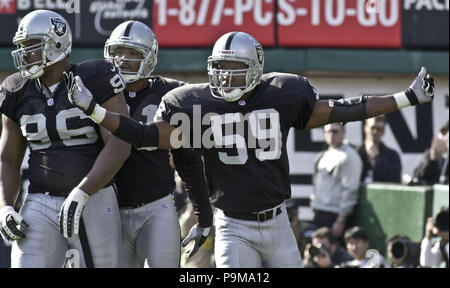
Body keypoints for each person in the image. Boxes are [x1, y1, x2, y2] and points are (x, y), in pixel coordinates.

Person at [65, 31, 435, 268]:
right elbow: (145, 135)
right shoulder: (196, 104)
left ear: (256, 68)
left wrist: (406, 97)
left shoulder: (283, 94)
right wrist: (95, 110)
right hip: (233, 226)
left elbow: (350, 108)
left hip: (277, 222)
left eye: (234, 69)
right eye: (219, 69)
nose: (224, 77)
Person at [0, 10, 130, 268]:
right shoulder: (17, 89)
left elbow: (120, 143)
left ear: (56, 44)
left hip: (95, 196)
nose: (24, 54)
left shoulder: (94, 77)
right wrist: (5, 205)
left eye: (31, 46)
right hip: (39, 198)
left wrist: (83, 192)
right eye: (22, 46)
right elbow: (8, 157)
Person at [103, 21, 212, 268]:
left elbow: (188, 159)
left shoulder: (171, 94)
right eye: (118, 51)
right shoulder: (96, 89)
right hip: (107, 208)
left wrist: (203, 214)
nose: (122, 59)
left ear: (149, 58)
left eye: (133, 53)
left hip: (156, 206)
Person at [311, 123, 363, 239]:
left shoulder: (350, 156)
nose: (331, 135)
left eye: (335, 131)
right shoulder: (322, 155)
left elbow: (350, 190)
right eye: (328, 131)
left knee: (332, 254)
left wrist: (340, 220)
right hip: (320, 213)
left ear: (343, 133)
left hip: (335, 216)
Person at [357, 116, 402, 183]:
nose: (375, 132)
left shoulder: (392, 155)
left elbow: (395, 179)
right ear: (365, 128)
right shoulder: (356, 153)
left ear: (383, 131)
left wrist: (377, 158)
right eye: (372, 128)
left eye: (379, 129)